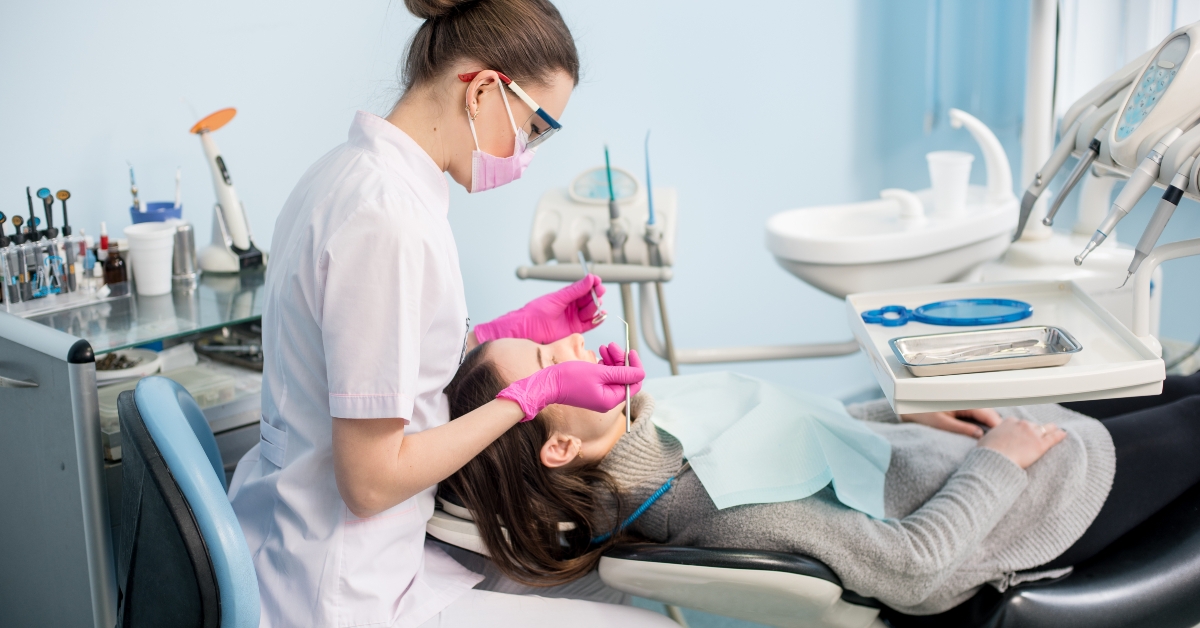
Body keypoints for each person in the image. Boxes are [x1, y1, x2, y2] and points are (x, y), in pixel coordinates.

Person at [227, 1, 676, 626]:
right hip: (342, 587)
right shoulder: (389, 222)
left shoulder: (346, 174)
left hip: (309, 542)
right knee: (646, 623)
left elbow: (379, 365)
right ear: (485, 90)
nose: (528, 152)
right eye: (536, 127)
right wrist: (530, 395)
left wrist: (505, 333)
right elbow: (370, 481)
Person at [441, 335, 1200, 615]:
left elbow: (792, 437)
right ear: (559, 450)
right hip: (1037, 501)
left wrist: (891, 415)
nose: (572, 343)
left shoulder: (659, 427)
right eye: (547, 362)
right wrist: (1001, 463)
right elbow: (911, 569)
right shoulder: (713, 510)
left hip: (976, 447)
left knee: (1172, 377)